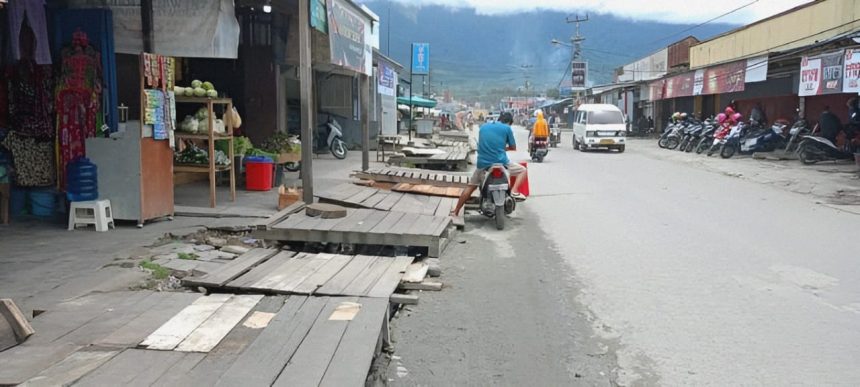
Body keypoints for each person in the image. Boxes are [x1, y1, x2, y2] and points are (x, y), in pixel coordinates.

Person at [451, 112, 527, 216]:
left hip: (483, 164)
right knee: (523, 170)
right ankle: (514, 191)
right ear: (509, 122)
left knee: (471, 186)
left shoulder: (483, 127)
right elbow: (513, 147)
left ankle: (456, 211)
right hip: (502, 162)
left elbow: (481, 144)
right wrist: (503, 148)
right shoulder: (507, 128)